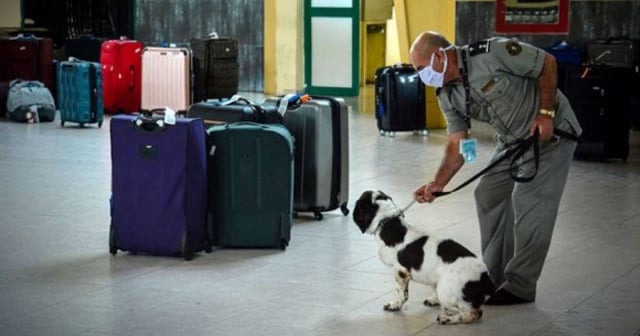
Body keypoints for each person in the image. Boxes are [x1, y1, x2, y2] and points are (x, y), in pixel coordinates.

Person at [409, 31, 582, 305]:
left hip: (550, 135)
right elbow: (457, 144)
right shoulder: (446, 93)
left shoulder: (492, 54)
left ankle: (521, 286)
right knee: (488, 194)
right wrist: (437, 183)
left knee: (529, 202)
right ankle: (494, 276)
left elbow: (547, 63)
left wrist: (545, 113)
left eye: (421, 68)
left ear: (440, 55)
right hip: (512, 142)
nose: (421, 75)